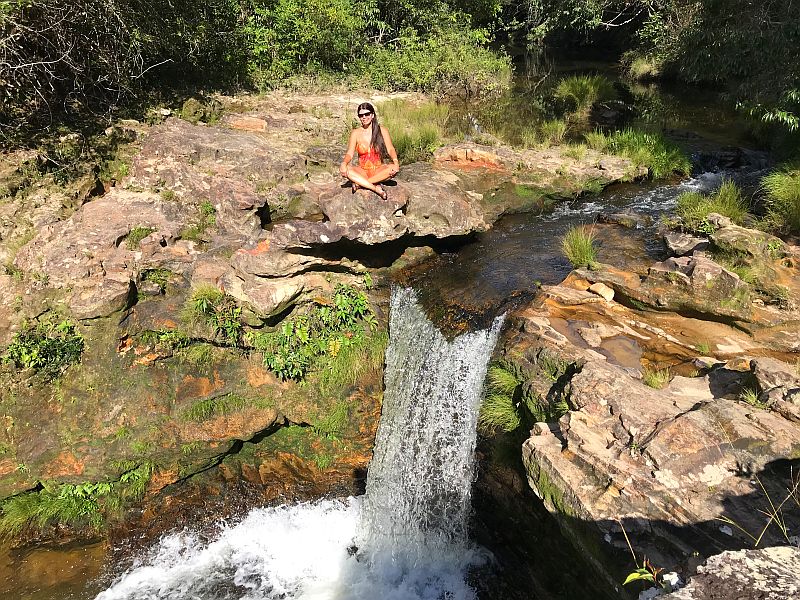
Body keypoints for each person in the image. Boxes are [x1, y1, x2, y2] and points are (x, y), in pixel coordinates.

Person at [339, 102, 400, 200]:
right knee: (348, 170)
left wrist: (396, 162)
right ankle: (375, 188)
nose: (364, 117)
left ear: (372, 115)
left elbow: (390, 148)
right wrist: (344, 163)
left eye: (367, 114)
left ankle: (361, 184)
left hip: (379, 170)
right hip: (362, 170)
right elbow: (350, 153)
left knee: (392, 168)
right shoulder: (355, 133)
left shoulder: (382, 130)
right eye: (361, 115)